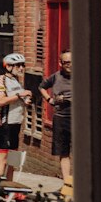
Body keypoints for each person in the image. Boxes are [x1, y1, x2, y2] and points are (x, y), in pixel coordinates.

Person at [0, 53, 31, 178]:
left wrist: (25, 101)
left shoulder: (17, 81)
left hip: (16, 122)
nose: (21, 68)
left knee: (13, 158)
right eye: (18, 65)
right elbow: (1, 101)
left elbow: (15, 100)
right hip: (5, 124)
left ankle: (10, 190)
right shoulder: (1, 79)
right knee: (3, 157)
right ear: (8, 66)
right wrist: (20, 95)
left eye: (22, 65)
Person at [40, 50, 72, 183]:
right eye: (67, 63)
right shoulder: (55, 77)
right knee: (63, 152)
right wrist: (51, 100)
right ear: (60, 63)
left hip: (79, 118)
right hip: (61, 117)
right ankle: (67, 182)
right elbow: (41, 87)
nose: (70, 65)